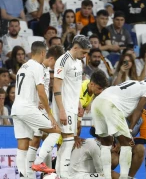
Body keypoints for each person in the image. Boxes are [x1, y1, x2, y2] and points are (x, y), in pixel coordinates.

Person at [11, 41, 62, 177]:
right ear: (43, 53)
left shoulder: (23, 67)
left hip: (16, 108)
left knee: (22, 146)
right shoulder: (37, 67)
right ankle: (39, 161)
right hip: (28, 108)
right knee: (56, 130)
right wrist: (50, 114)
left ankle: (25, 177)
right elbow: (41, 92)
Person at [91, 80, 146, 179]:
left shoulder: (132, 87)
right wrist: (128, 132)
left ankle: (112, 176)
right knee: (124, 145)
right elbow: (93, 131)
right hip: (110, 105)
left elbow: (143, 139)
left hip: (98, 102)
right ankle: (123, 177)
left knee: (108, 145)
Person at [53, 35, 92, 179]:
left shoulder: (79, 62)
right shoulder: (63, 61)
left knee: (67, 141)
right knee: (68, 141)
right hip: (63, 107)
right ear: (75, 47)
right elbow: (56, 86)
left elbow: (75, 85)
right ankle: (63, 174)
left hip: (72, 106)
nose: (85, 55)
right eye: (84, 52)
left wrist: (79, 102)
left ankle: (59, 173)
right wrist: (61, 110)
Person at [26, 46, 64, 179]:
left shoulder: (45, 69)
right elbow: (32, 88)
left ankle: (37, 171)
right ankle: (35, 167)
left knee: (38, 141)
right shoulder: (38, 68)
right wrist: (35, 100)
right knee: (50, 133)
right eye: (57, 62)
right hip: (36, 110)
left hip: (40, 110)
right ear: (52, 58)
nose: (57, 66)